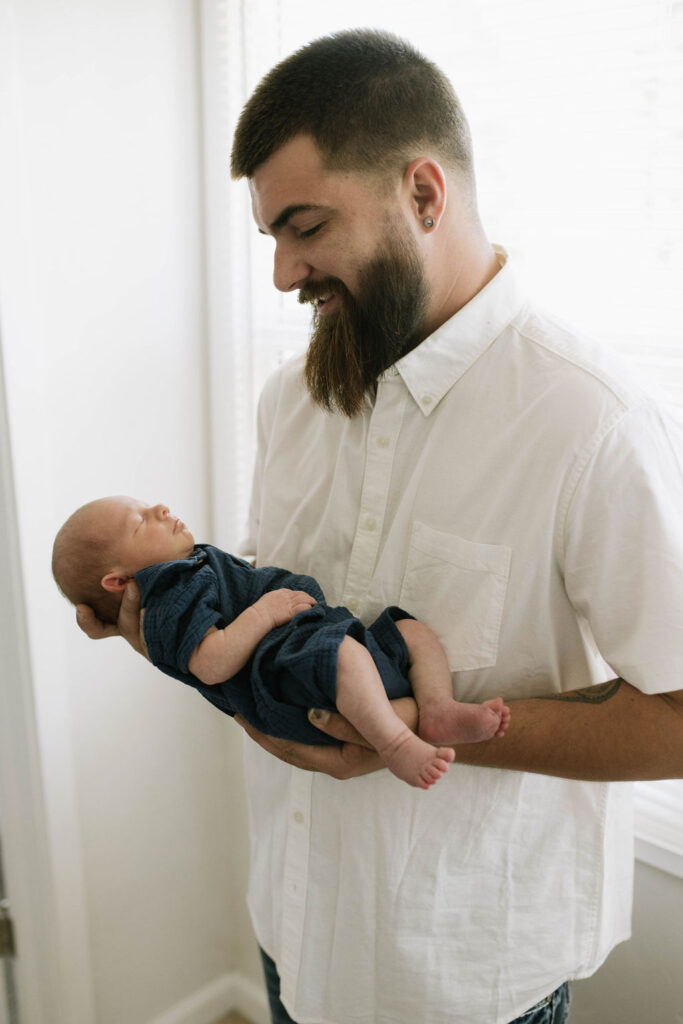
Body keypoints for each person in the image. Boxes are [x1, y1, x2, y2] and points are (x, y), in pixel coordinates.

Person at [76, 28, 683, 1024]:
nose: (280, 274)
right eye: (270, 235)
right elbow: (265, 619)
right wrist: (159, 624)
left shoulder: (590, 423)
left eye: (303, 227)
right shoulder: (291, 399)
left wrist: (421, 732)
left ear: (423, 194)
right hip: (291, 926)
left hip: (461, 977)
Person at [53, 495, 509, 789]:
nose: (160, 509)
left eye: (149, 505)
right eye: (139, 523)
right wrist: (266, 610)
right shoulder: (168, 592)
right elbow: (210, 664)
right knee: (343, 654)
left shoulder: (187, 568)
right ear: (117, 581)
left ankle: (438, 708)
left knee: (411, 631)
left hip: (306, 643)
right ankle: (395, 746)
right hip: (277, 670)